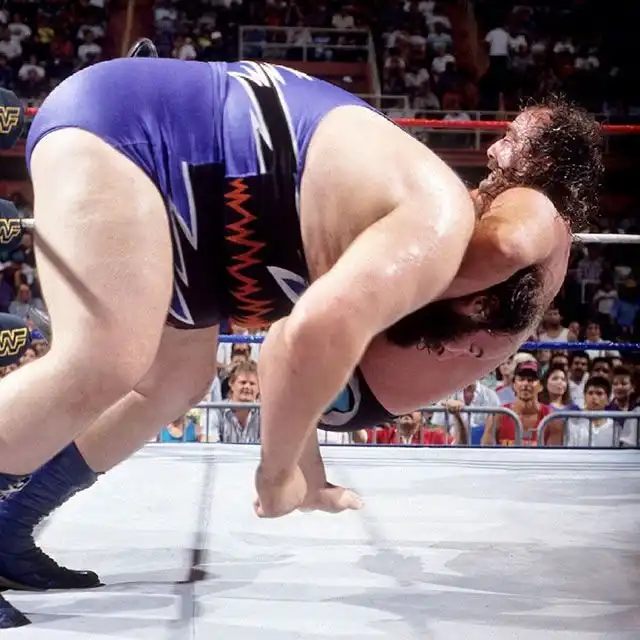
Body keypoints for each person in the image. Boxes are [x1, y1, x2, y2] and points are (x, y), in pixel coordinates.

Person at [0, 55, 602, 627]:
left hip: (206, 208)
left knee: (175, 383)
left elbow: (298, 345)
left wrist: (303, 470)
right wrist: (279, 473)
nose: (493, 150)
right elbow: (307, 335)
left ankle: (11, 523)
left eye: (512, 139)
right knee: (105, 358)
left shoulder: (436, 226)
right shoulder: (451, 221)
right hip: (142, 136)